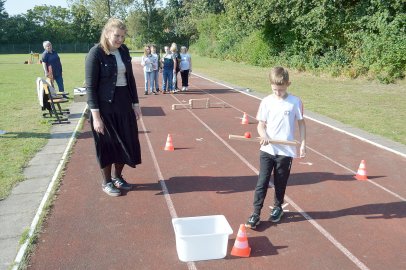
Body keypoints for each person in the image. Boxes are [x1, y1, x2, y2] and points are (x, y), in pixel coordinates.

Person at [85, 18, 142, 197]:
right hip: (104, 106)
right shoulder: (95, 54)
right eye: (117, 35)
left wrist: (136, 104)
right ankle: (107, 181)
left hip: (124, 102)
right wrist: (96, 117)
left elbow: (130, 78)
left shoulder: (123, 51)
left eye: (123, 36)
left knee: (127, 141)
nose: (120, 40)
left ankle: (118, 177)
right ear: (107, 33)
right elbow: (90, 87)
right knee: (107, 145)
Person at [245, 66, 306, 228]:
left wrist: (303, 143)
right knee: (262, 181)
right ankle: (256, 213)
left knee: (280, 181)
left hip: (285, 152)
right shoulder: (266, 101)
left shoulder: (295, 102)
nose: (277, 93)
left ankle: (278, 207)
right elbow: (260, 125)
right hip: (268, 150)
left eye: (280, 89)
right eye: (274, 90)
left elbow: (301, 123)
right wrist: (263, 135)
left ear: (288, 84)